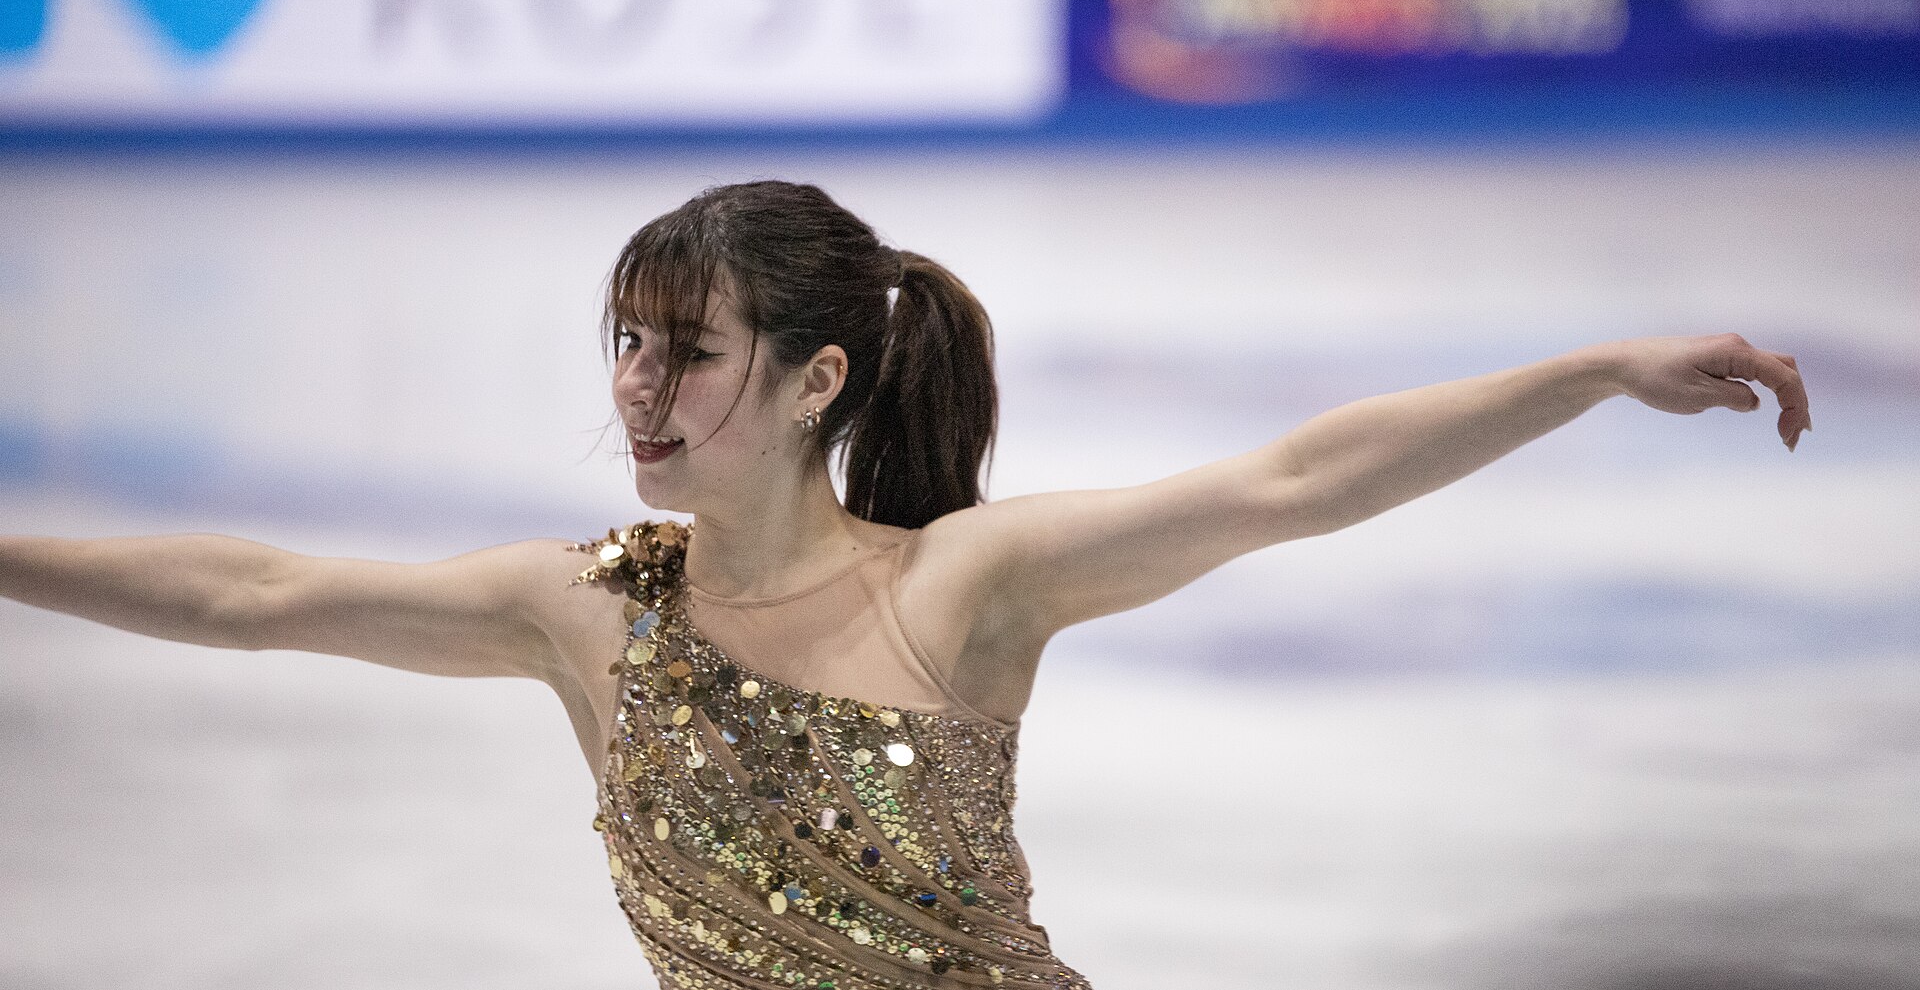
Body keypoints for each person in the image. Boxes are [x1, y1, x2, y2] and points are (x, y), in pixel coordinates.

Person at [0, 179, 1812, 989]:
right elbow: (249, 592)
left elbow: (1293, 480)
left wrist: (1585, 371)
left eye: (685, 351)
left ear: (815, 383)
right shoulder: (582, 609)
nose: (636, 388)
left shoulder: (967, 585)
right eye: (625, 344)